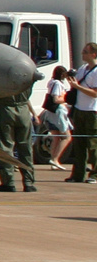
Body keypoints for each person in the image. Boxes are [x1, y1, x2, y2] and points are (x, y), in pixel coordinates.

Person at [0, 79, 37, 192]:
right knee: (26, 147)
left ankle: (8, 182)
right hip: (23, 109)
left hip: (6, 108)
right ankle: (28, 182)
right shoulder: (27, 72)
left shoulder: (1, 74)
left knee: (6, 145)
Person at [67, 43, 97, 183]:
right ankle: (77, 174)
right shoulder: (82, 69)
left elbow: (95, 94)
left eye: (85, 52)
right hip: (79, 110)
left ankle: (94, 174)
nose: (82, 54)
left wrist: (77, 86)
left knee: (93, 145)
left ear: (93, 54)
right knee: (79, 144)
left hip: (92, 112)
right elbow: (76, 85)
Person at [40, 66, 73, 169]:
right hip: (58, 111)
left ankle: (53, 159)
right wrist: (68, 99)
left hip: (51, 112)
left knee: (56, 137)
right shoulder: (58, 84)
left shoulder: (51, 82)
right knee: (67, 137)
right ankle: (55, 159)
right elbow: (55, 99)